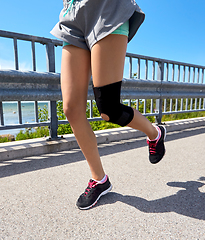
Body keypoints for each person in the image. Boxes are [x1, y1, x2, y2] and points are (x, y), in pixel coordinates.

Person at [51, 0, 166, 210]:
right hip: (73, 16)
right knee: (71, 109)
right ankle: (99, 179)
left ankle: (154, 133)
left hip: (106, 9)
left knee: (109, 109)